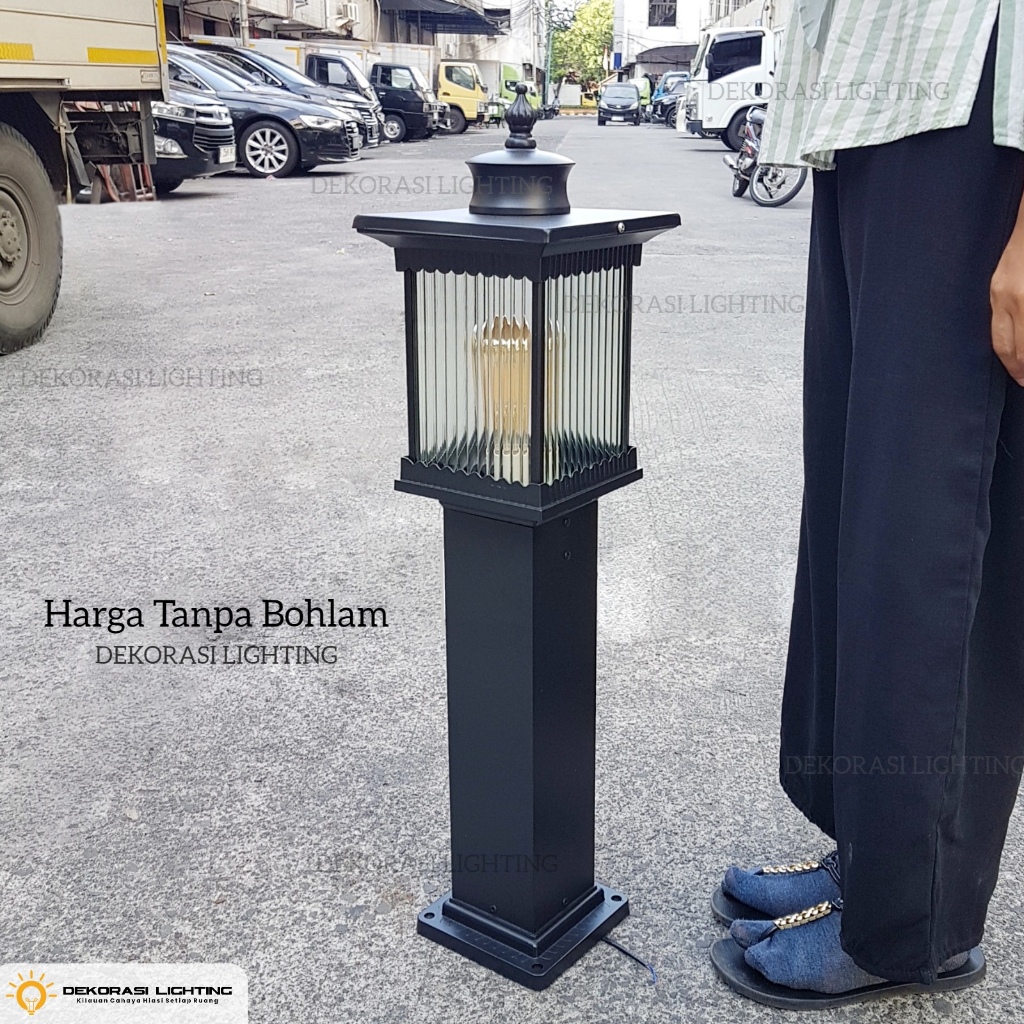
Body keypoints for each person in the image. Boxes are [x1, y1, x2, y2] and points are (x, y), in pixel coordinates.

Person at [708, 0, 1024, 1009]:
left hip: (975, 110)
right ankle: (875, 862)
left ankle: (914, 925)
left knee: (928, 531)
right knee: (860, 509)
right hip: (868, 114)